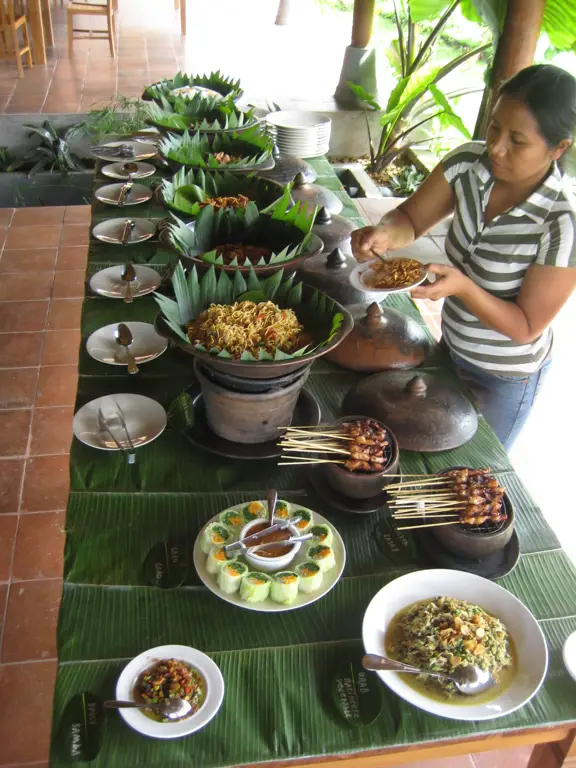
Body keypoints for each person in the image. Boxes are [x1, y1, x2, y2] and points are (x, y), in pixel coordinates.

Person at [351, 64, 576, 450]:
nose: (496, 147)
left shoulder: (561, 225)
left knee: (473, 470)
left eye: (518, 141)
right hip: (450, 348)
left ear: (558, 148)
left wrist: (464, 289)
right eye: (494, 127)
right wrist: (385, 233)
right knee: (426, 445)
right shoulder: (466, 166)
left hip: (504, 377)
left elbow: (524, 327)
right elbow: (409, 217)